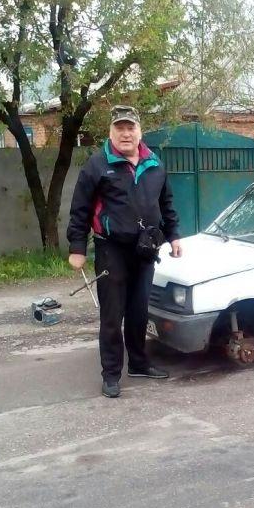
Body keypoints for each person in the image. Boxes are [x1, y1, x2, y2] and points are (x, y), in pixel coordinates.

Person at [67, 106, 181, 397]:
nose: (126, 133)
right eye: (120, 128)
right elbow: (79, 208)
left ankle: (139, 363)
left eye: (131, 128)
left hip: (146, 248)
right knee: (112, 315)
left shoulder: (154, 163)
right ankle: (111, 374)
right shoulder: (97, 165)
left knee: (139, 311)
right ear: (111, 132)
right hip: (111, 250)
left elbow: (166, 203)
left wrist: (174, 236)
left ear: (139, 131)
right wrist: (77, 247)